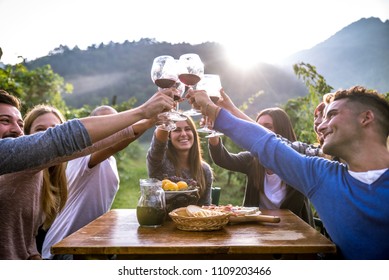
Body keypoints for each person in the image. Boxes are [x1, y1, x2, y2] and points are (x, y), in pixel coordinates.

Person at [186, 85, 389, 260]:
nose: (322, 126)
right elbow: (268, 144)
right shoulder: (320, 175)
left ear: (366, 118)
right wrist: (214, 110)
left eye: (332, 114)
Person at [0, 88, 176, 259]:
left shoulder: (35, 176)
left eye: (19, 123)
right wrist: (143, 112)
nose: (16, 129)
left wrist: (149, 120)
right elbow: (62, 139)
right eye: (5, 120)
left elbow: (25, 242)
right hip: (65, 252)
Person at [41, 105, 154, 260]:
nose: (113, 128)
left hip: (86, 245)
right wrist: (151, 120)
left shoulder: (110, 160)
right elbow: (115, 143)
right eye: (106, 123)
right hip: (62, 250)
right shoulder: (81, 155)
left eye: (117, 122)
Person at [208, 107, 314, 226]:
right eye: (257, 127)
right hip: (258, 228)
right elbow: (223, 160)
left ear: (281, 131)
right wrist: (214, 138)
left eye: (268, 126)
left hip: (296, 229)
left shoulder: (298, 160)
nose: (260, 132)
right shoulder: (252, 160)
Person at [146, 117, 213, 206]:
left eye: (188, 129)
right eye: (177, 130)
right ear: (169, 136)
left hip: (192, 220)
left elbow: (205, 208)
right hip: (161, 219)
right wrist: (167, 116)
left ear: (194, 134)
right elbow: (158, 145)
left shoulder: (205, 170)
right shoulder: (159, 163)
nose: (183, 134)